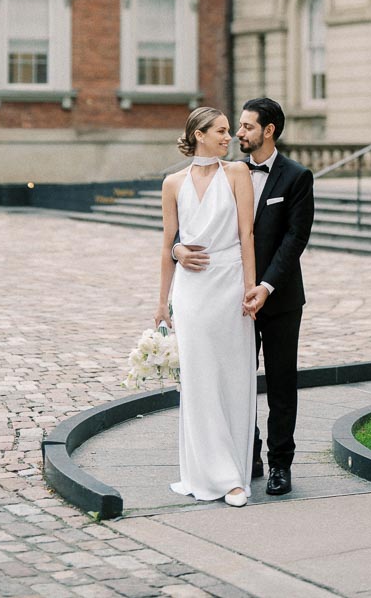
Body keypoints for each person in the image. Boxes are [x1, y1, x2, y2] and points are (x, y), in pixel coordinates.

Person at [174, 97, 314, 497]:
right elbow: (196, 225)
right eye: (236, 126)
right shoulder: (226, 172)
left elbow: (294, 240)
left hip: (279, 297)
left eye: (247, 127)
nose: (238, 133)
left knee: (282, 384)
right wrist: (177, 249)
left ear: (268, 131)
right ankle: (244, 454)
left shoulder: (296, 177)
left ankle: (280, 466)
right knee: (234, 378)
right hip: (230, 298)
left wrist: (265, 286)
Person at [154, 106, 257, 507]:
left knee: (232, 378)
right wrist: (162, 302)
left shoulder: (237, 174)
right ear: (199, 134)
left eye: (229, 131)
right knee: (199, 382)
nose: (228, 137)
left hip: (230, 285)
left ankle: (233, 472)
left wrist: (250, 288)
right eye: (220, 130)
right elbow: (167, 244)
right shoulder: (172, 183)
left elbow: (247, 234)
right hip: (192, 293)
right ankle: (213, 475)